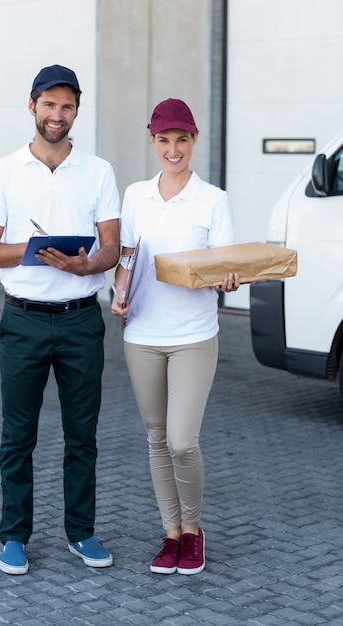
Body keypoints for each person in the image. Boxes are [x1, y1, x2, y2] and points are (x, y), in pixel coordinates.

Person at [0, 64, 120, 575]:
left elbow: (111, 248)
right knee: (19, 436)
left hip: (81, 321)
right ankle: (14, 535)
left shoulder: (98, 171)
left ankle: (81, 532)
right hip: (24, 322)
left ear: (76, 111)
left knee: (82, 437)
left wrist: (85, 263)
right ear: (32, 106)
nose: (57, 115)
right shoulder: (4, 171)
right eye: (49, 104)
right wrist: (37, 251)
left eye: (67, 106)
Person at [111, 98, 239, 575]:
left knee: (183, 440)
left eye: (181, 139)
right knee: (157, 437)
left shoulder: (213, 199)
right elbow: (128, 258)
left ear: (194, 140)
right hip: (141, 334)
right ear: (153, 141)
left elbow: (228, 267)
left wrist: (228, 280)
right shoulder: (135, 196)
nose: (173, 149)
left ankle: (193, 530)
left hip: (193, 335)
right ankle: (170, 535)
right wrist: (117, 294)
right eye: (164, 140)